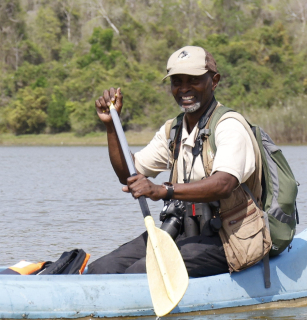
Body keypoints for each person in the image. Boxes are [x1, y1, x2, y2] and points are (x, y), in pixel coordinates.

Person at [89, 47, 270, 278]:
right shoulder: (173, 130)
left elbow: (224, 184)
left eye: (193, 80)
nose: (184, 88)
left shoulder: (229, 126)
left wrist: (164, 190)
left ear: (214, 81)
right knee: (103, 268)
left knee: (142, 272)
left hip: (229, 237)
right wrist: (111, 126)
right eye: (177, 81)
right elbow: (129, 175)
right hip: (185, 231)